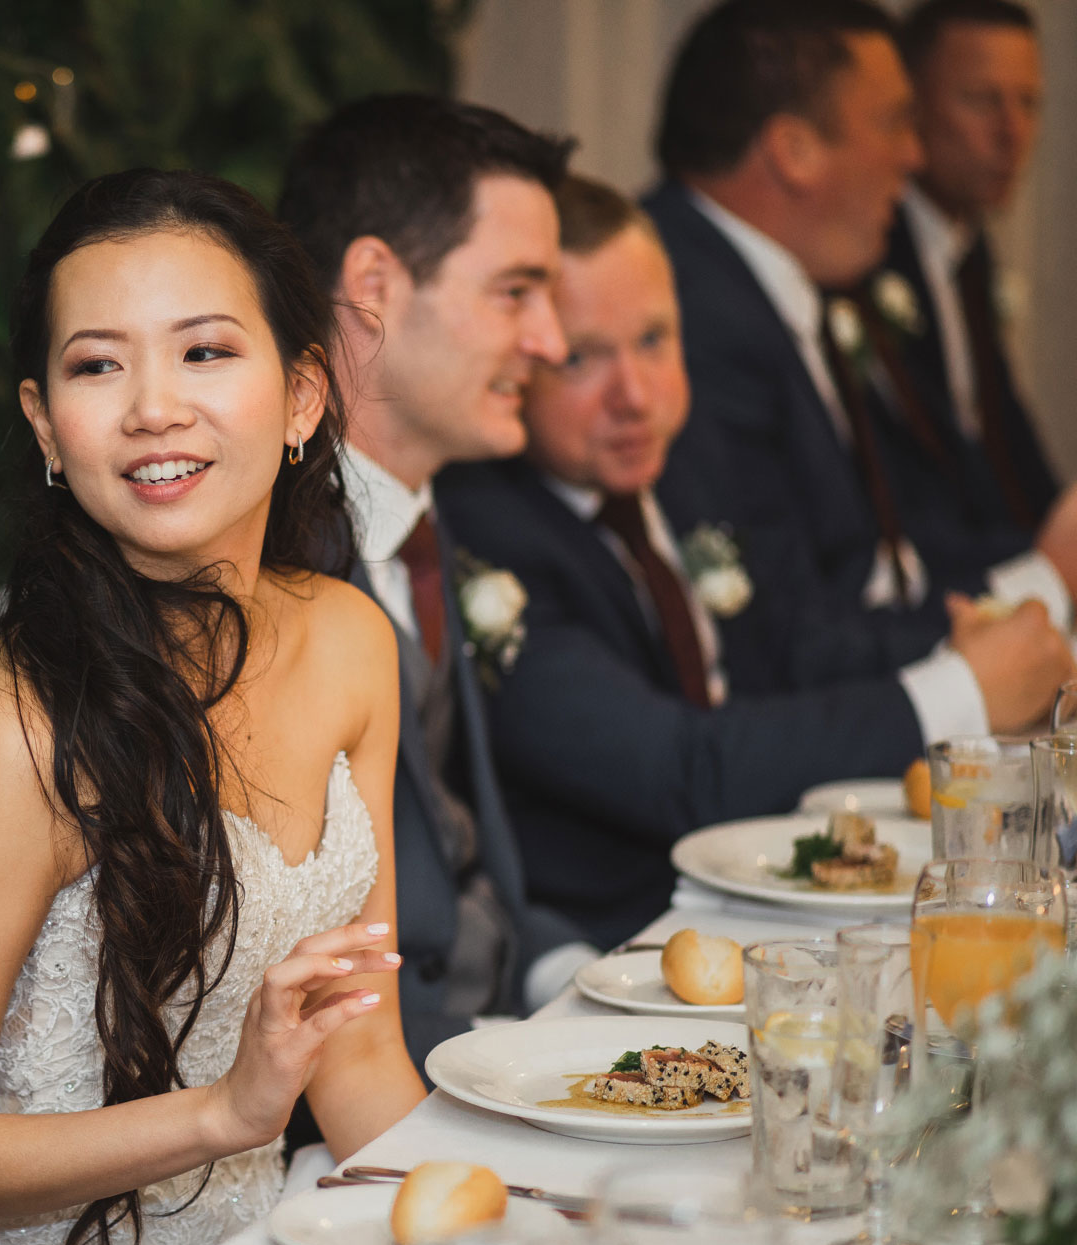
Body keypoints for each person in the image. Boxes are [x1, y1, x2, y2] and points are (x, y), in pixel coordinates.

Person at [0, 170, 423, 1245]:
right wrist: (219, 1114)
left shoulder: (347, 642)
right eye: (96, 365)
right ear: (43, 427)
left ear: (302, 397)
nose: (152, 408)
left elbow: (359, 1048)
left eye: (205, 352)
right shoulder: (20, 725)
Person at [439, 175, 1073, 947]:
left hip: (761, 897)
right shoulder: (485, 540)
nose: (634, 395)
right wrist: (963, 691)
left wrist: (972, 644)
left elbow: (798, 650)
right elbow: (684, 770)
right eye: (582, 360)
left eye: (653, 339)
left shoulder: (675, 467)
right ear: (523, 357)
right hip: (612, 939)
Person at [274, 94, 593, 1059]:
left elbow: (466, 868)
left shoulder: (420, 520)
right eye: (515, 291)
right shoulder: (265, 564)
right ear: (374, 282)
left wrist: (577, 982)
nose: (549, 341)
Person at [644, 0, 1077, 701]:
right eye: (895, 121)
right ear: (795, 151)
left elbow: (882, 553)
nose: (914, 154)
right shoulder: (687, 310)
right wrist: (1041, 585)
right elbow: (785, 641)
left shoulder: (779, 283)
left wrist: (1032, 572)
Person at [863, 0, 1056, 548]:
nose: (1012, 132)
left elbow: (1008, 448)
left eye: (1029, 103)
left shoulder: (970, 253)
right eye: (981, 100)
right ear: (912, 107)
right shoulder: (865, 252)